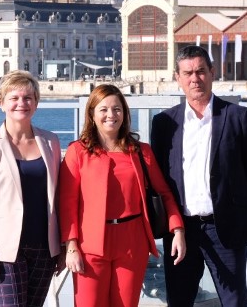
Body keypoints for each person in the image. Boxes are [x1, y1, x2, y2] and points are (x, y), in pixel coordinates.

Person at [151, 45, 247, 306]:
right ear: (178, 78)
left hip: (225, 228)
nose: (195, 78)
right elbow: (158, 178)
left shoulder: (238, 117)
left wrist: (233, 204)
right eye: (188, 73)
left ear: (212, 73)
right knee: (179, 300)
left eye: (201, 71)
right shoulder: (164, 123)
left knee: (234, 300)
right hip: (181, 229)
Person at [59, 84, 186, 307]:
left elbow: (164, 193)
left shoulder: (141, 151)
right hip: (90, 245)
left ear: (125, 114)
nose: (111, 115)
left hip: (131, 243)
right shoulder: (77, 152)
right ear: (92, 114)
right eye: (104, 109)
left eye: (117, 109)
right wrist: (71, 247)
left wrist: (177, 229)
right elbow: (67, 203)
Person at [0, 70, 64, 307]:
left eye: (28, 98)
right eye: (14, 98)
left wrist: (62, 246)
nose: (22, 103)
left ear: (36, 103)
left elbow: (60, 196)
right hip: (5, 251)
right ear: (2, 103)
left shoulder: (51, 142)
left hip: (44, 248)